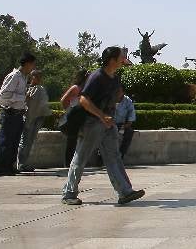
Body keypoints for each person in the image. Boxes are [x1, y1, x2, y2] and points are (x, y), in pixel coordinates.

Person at [62, 46, 144, 206]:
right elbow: (84, 100)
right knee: (81, 156)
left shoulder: (114, 78)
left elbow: (114, 98)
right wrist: (101, 116)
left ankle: (125, 191)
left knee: (114, 156)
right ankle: (69, 193)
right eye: (121, 57)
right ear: (112, 60)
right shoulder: (97, 76)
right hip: (92, 123)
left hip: (108, 123)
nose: (123, 59)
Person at [0, 53, 37, 176]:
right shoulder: (14, 76)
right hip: (10, 113)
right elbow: (3, 96)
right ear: (28, 63)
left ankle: (10, 166)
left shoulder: (23, 78)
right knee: (6, 141)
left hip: (18, 114)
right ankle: (2, 168)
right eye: (33, 64)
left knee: (14, 142)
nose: (33, 67)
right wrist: (23, 97)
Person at [17, 69, 50, 172]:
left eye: (39, 77)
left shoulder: (41, 89)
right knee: (25, 141)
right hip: (29, 118)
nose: (38, 79)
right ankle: (20, 163)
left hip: (38, 118)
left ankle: (24, 162)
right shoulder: (26, 88)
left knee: (30, 141)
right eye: (36, 77)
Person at [60, 69, 88, 168]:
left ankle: (75, 163)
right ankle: (67, 164)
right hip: (73, 117)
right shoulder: (76, 88)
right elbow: (63, 100)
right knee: (71, 141)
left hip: (80, 117)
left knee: (78, 141)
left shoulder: (86, 89)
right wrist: (69, 110)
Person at [114, 86, 136, 159]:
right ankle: (100, 156)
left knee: (129, 132)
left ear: (123, 92)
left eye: (119, 91)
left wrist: (128, 124)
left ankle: (121, 154)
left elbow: (131, 113)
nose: (117, 93)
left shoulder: (127, 101)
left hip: (121, 124)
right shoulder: (110, 98)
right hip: (109, 124)